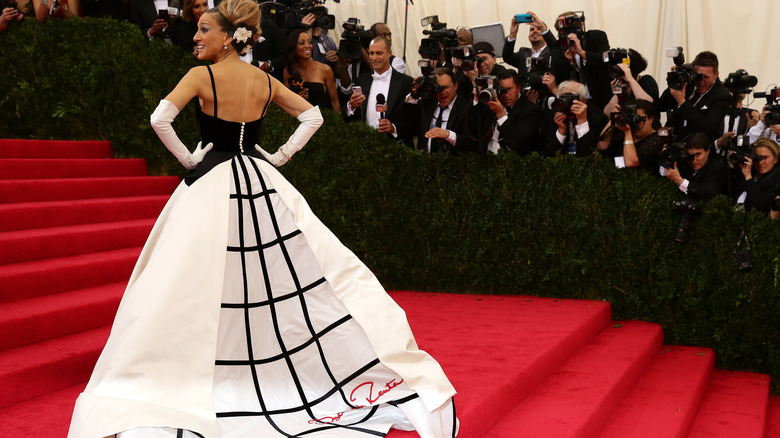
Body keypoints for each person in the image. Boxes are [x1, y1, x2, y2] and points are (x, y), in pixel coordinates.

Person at [67, 0, 458, 436]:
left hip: (210, 181)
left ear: (226, 36)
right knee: (272, 274)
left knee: (190, 279)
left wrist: (190, 160)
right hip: (259, 180)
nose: (195, 38)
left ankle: (198, 367)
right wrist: (278, 156)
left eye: (202, 30)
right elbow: (312, 116)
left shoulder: (202, 76)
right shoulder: (263, 80)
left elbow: (160, 118)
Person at [345, 36, 416, 145]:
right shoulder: (361, 81)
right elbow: (350, 117)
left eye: (379, 53)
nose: (374, 58)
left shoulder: (405, 82)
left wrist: (393, 128)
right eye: (371, 53)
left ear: (389, 53)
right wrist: (351, 106)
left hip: (396, 147)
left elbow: (413, 120)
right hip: (365, 145)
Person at [658, 51, 731, 142]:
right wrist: (675, 82)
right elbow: (661, 106)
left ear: (716, 75)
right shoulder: (689, 82)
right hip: (674, 143)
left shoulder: (722, 95)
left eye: (706, 77)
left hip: (697, 149)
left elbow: (707, 128)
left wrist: (682, 102)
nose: (701, 81)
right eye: (698, 76)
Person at [544, 11, 611, 110]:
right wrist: (573, 65)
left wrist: (582, 53)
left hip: (603, 101)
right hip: (579, 105)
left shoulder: (595, 37)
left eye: (570, 31)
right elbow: (568, 82)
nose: (567, 35)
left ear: (581, 28)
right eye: (562, 32)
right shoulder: (560, 50)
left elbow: (606, 61)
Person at [543, 80, 608, 157]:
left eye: (571, 98)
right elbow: (548, 155)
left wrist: (582, 121)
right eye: (563, 98)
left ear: (584, 101)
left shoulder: (597, 117)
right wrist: (561, 130)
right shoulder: (553, 114)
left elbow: (589, 156)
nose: (567, 103)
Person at [483, 69, 542, 155]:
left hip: (511, 163)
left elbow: (518, 143)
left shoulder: (531, 110)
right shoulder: (491, 104)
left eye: (509, 89)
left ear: (518, 88)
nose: (506, 95)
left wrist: (501, 115)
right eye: (502, 90)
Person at [598, 99, 665, 171]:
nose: (635, 124)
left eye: (638, 119)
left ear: (650, 119)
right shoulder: (624, 130)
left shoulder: (658, 139)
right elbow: (601, 145)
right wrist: (613, 120)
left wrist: (627, 132)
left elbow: (630, 162)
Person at [284, 28, 340, 112]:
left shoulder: (325, 70)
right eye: (301, 43)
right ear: (293, 47)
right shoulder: (289, 70)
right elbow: (285, 102)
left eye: (309, 42)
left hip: (322, 119)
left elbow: (334, 102)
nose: (307, 46)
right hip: (299, 119)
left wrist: (337, 123)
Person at [664, 132, 727, 201]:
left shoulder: (718, 168)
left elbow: (709, 194)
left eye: (698, 154)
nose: (693, 161)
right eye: (689, 156)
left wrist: (680, 181)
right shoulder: (682, 164)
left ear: (708, 151)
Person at [730, 137, 780, 213]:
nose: (760, 162)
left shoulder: (777, 179)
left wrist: (748, 177)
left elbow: (760, 204)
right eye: (757, 158)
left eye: (765, 158)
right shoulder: (749, 171)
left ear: (776, 159)